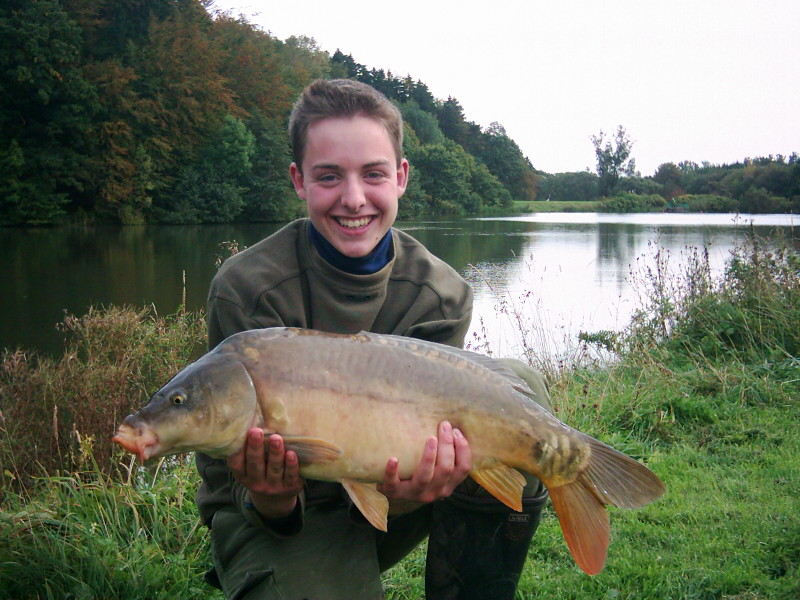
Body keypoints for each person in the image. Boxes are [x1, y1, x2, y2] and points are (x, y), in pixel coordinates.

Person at [198, 78, 548, 600]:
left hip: (395, 490)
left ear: (401, 176)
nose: (354, 199)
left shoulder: (441, 294)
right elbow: (228, 477)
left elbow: (421, 459)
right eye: (329, 176)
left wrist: (411, 494)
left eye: (374, 174)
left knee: (521, 395)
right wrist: (271, 500)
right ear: (299, 180)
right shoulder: (247, 289)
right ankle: (280, 573)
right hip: (280, 512)